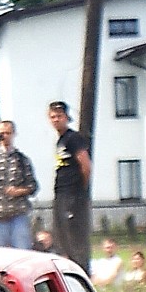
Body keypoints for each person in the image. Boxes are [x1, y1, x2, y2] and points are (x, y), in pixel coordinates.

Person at [0, 119, 38, 250]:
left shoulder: (22, 159)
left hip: (18, 214)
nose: (5, 136)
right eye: (2, 133)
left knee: (23, 252)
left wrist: (18, 191)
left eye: (8, 133)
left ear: (14, 134)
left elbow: (33, 186)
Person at [46, 100, 92, 268]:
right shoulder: (61, 141)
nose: (56, 120)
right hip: (60, 194)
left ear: (66, 117)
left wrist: (80, 189)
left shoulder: (74, 138)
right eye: (52, 117)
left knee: (74, 238)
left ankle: (81, 270)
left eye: (59, 116)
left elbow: (86, 165)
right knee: (62, 237)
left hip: (72, 195)